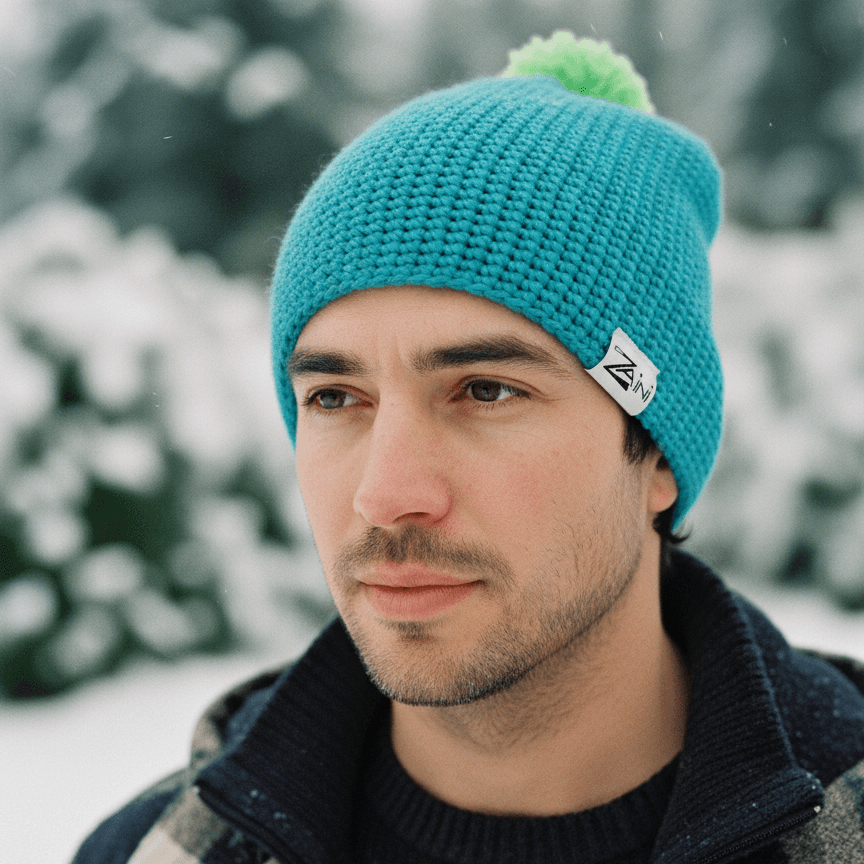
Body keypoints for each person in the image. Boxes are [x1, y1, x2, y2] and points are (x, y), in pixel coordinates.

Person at [73, 32, 864, 864]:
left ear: (657, 452)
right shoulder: (155, 849)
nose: (385, 492)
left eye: (486, 390)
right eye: (336, 398)